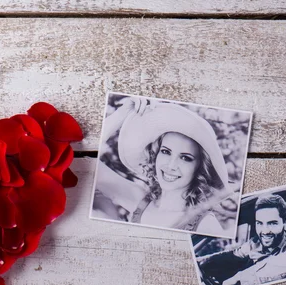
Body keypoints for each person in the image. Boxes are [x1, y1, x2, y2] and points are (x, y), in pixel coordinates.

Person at [93, 96, 234, 236]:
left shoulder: (206, 224)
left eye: (185, 158)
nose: (171, 165)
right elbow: (88, 164)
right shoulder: (140, 201)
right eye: (166, 152)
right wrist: (122, 113)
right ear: (155, 155)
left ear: (200, 168)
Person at [200, 194, 286, 285]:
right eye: (259, 223)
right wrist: (203, 261)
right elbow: (233, 254)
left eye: (272, 223)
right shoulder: (255, 243)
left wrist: (240, 277)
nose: (264, 231)